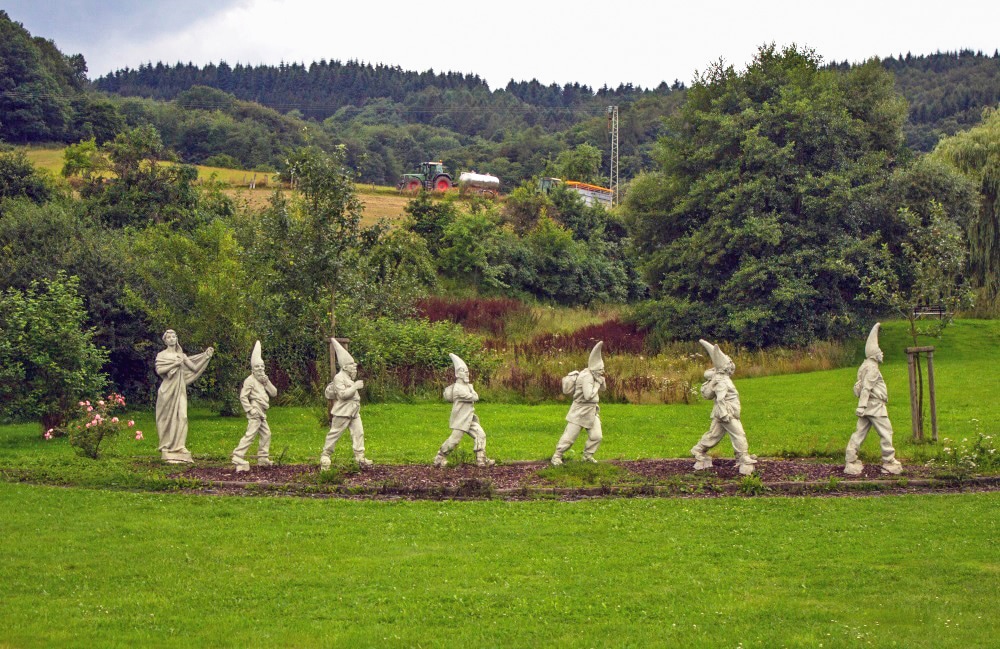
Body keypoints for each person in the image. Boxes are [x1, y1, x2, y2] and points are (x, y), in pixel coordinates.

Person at [690, 339, 757, 475]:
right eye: (730, 365)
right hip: (726, 413)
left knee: (714, 434)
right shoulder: (721, 380)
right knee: (738, 434)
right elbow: (720, 397)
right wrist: (724, 413)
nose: (732, 367)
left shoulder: (722, 379)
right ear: (726, 367)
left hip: (724, 412)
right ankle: (743, 457)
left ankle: (698, 449)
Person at [845, 323, 903, 475]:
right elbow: (866, 388)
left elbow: (858, 385)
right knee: (886, 431)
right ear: (874, 354)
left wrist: (862, 406)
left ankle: (850, 458)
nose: (882, 353)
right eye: (879, 351)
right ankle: (889, 460)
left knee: (860, 432)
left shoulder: (864, 365)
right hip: (875, 406)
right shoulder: (873, 368)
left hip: (869, 406)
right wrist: (861, 406)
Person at [154, 329, 213, 464]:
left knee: (183, 416)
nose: (172, 339)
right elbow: (159, 370)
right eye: (169, 337)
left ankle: (180, 447)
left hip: (179, 389)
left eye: (174, 336)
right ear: (165, 340)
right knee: (166, 418)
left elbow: (194, 368)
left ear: (176, 339)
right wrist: (175, 364)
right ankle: (167, 446)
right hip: (167, 390)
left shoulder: (182, 355)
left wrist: (206, 356)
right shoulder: (161, 355)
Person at [434, 353, 495, 468]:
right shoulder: (458, 389)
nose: (466, 373)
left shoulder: (466, 386)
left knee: (480, 434)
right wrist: (472, 389)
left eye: (467, 371)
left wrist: (471, 389)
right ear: (458, 374)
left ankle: (481, 459)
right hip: (461, 419)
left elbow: (475, 396)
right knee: (454, 440)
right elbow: (475, 397)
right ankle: (439, 458)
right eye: (463, 371)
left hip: (469, 417)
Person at [320, 339, 373, 469]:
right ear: (344, 367)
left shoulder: (348, 378)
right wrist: (355, 387)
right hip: (343, 411)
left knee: (358, 433)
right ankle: (326, 455)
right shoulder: (339, 378)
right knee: (335, 433)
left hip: (354, 411)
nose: (354, 366)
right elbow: (342, 395)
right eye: (351, 364)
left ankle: (359, 457)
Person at [551, 341, 605, 465]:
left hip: (592, 411)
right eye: (601, 369)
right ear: (595, 368)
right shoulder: (586, 377)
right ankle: (557, 456)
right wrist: (597, 385)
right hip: (580, 411)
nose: (603, 371)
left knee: (597, 436)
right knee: (570, 438)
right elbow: (587, 396)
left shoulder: (595, 376)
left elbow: (604, 388)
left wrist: (601, 380)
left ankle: (587, 456)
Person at [231, 341, 278, 472]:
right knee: (251, 434)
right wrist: (250, 409)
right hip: (255, 410)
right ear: (252, 369)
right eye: (257, 367)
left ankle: (263, 457)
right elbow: (243, 396)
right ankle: (238, 455)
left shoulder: (263, 380)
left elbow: (274, 393)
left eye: (262, 366)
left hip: (262, 411)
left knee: (266, 434)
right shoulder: (250, 380)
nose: (260, 369)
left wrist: (267, 381)